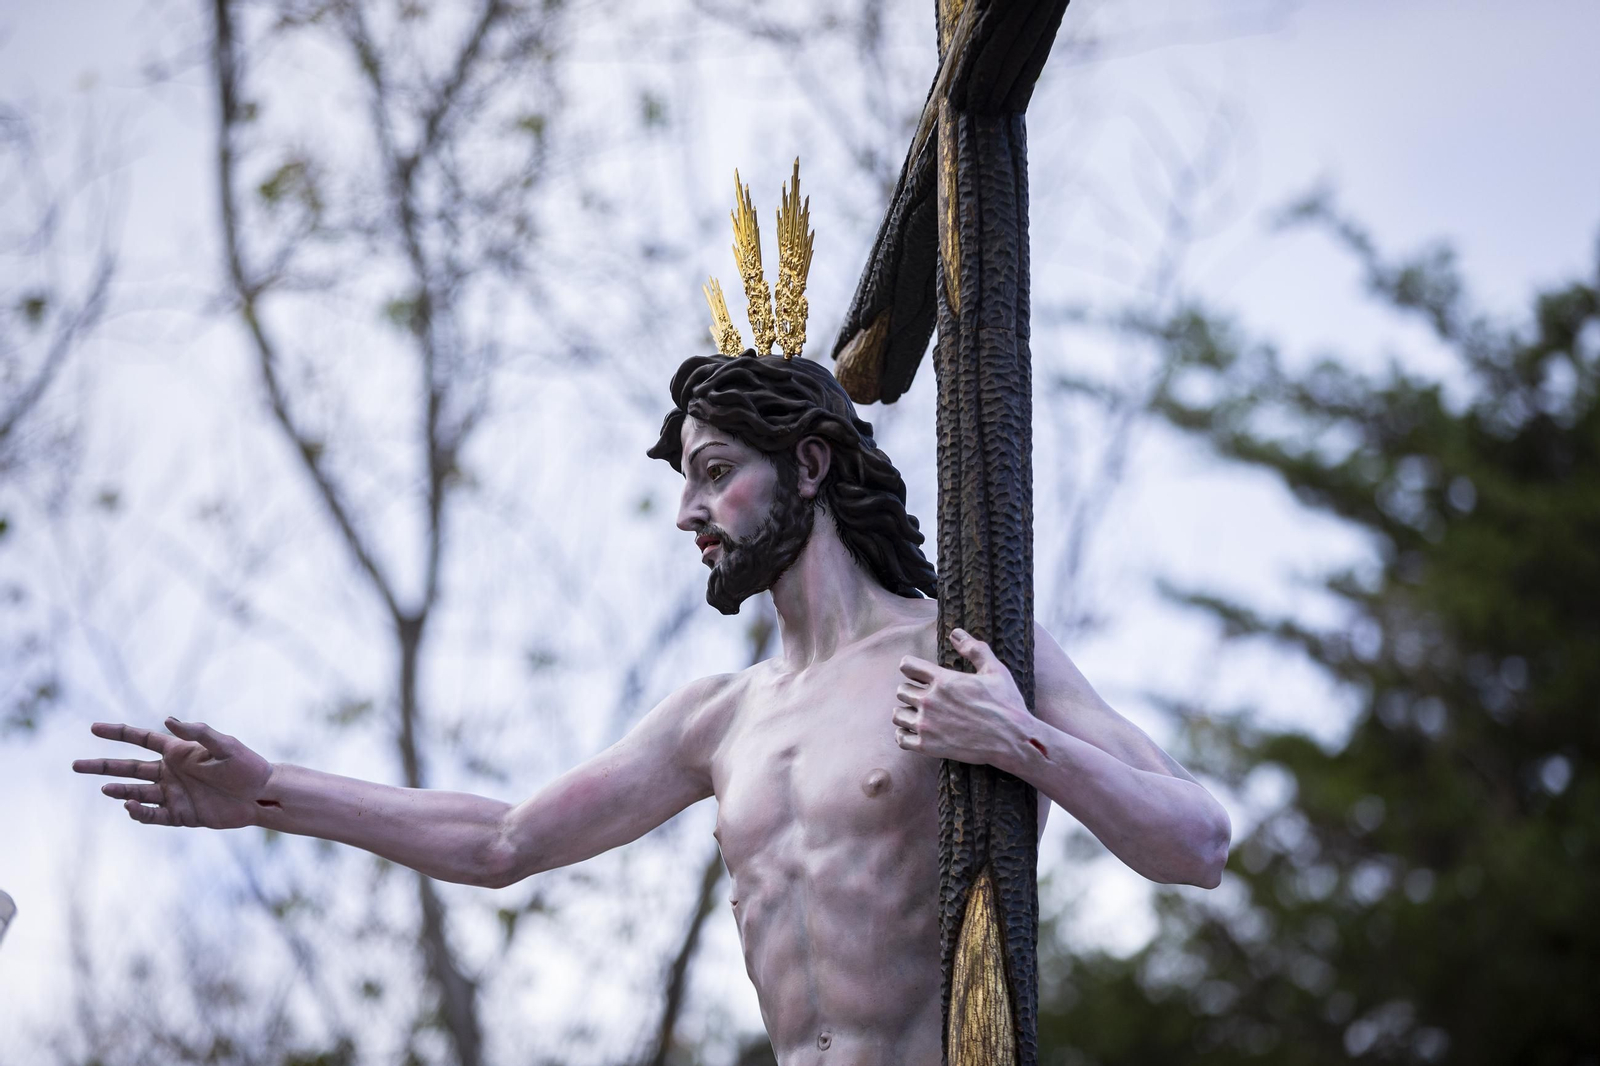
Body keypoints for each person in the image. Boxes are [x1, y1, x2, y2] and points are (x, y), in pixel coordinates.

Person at [75, 350, 1230, 1065]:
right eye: (683, 480)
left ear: (811, 467)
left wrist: (1017, 740)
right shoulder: (717, 719)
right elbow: (502, 841)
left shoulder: (972, 648)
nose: (688, 511)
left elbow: (1196, 841)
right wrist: (268, 795)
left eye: (714, 470)